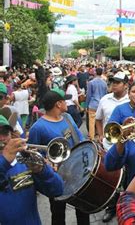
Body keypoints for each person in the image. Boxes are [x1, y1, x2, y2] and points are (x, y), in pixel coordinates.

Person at [27, 88, 89, 225]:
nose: (68, 102)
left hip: (77, 172)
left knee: (83, 210)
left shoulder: (68, 117)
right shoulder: (38, 128)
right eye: (64, 100)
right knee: (58, 214)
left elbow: (80, 139)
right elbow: (33, 155)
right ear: (58, 104)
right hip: (57, 178)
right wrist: (46, 163)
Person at [0, 115, 64, 225]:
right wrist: (4, 161)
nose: (1, 138)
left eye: (5, 132)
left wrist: (42, 171)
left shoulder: (23, 160)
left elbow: (57, 190)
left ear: (11, 134)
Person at [95, 71, 129, 145]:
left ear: (125, 85)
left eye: (118, 82)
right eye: (113, 82)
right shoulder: (104, 99)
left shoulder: (130, 100)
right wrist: (100, 135)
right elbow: (98, 119)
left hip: (127, 143)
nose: (114, 84)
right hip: (108, 143)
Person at [86, 67, 108, 140]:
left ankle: (91, 138)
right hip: (101, 104)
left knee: (91, 122)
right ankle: (100, 137)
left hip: (93, 104)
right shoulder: (104, 83)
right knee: (101, 121)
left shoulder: (91, 82)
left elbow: (88, 95)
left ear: (95, 73)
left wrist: (86, 105)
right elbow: (105, 94)